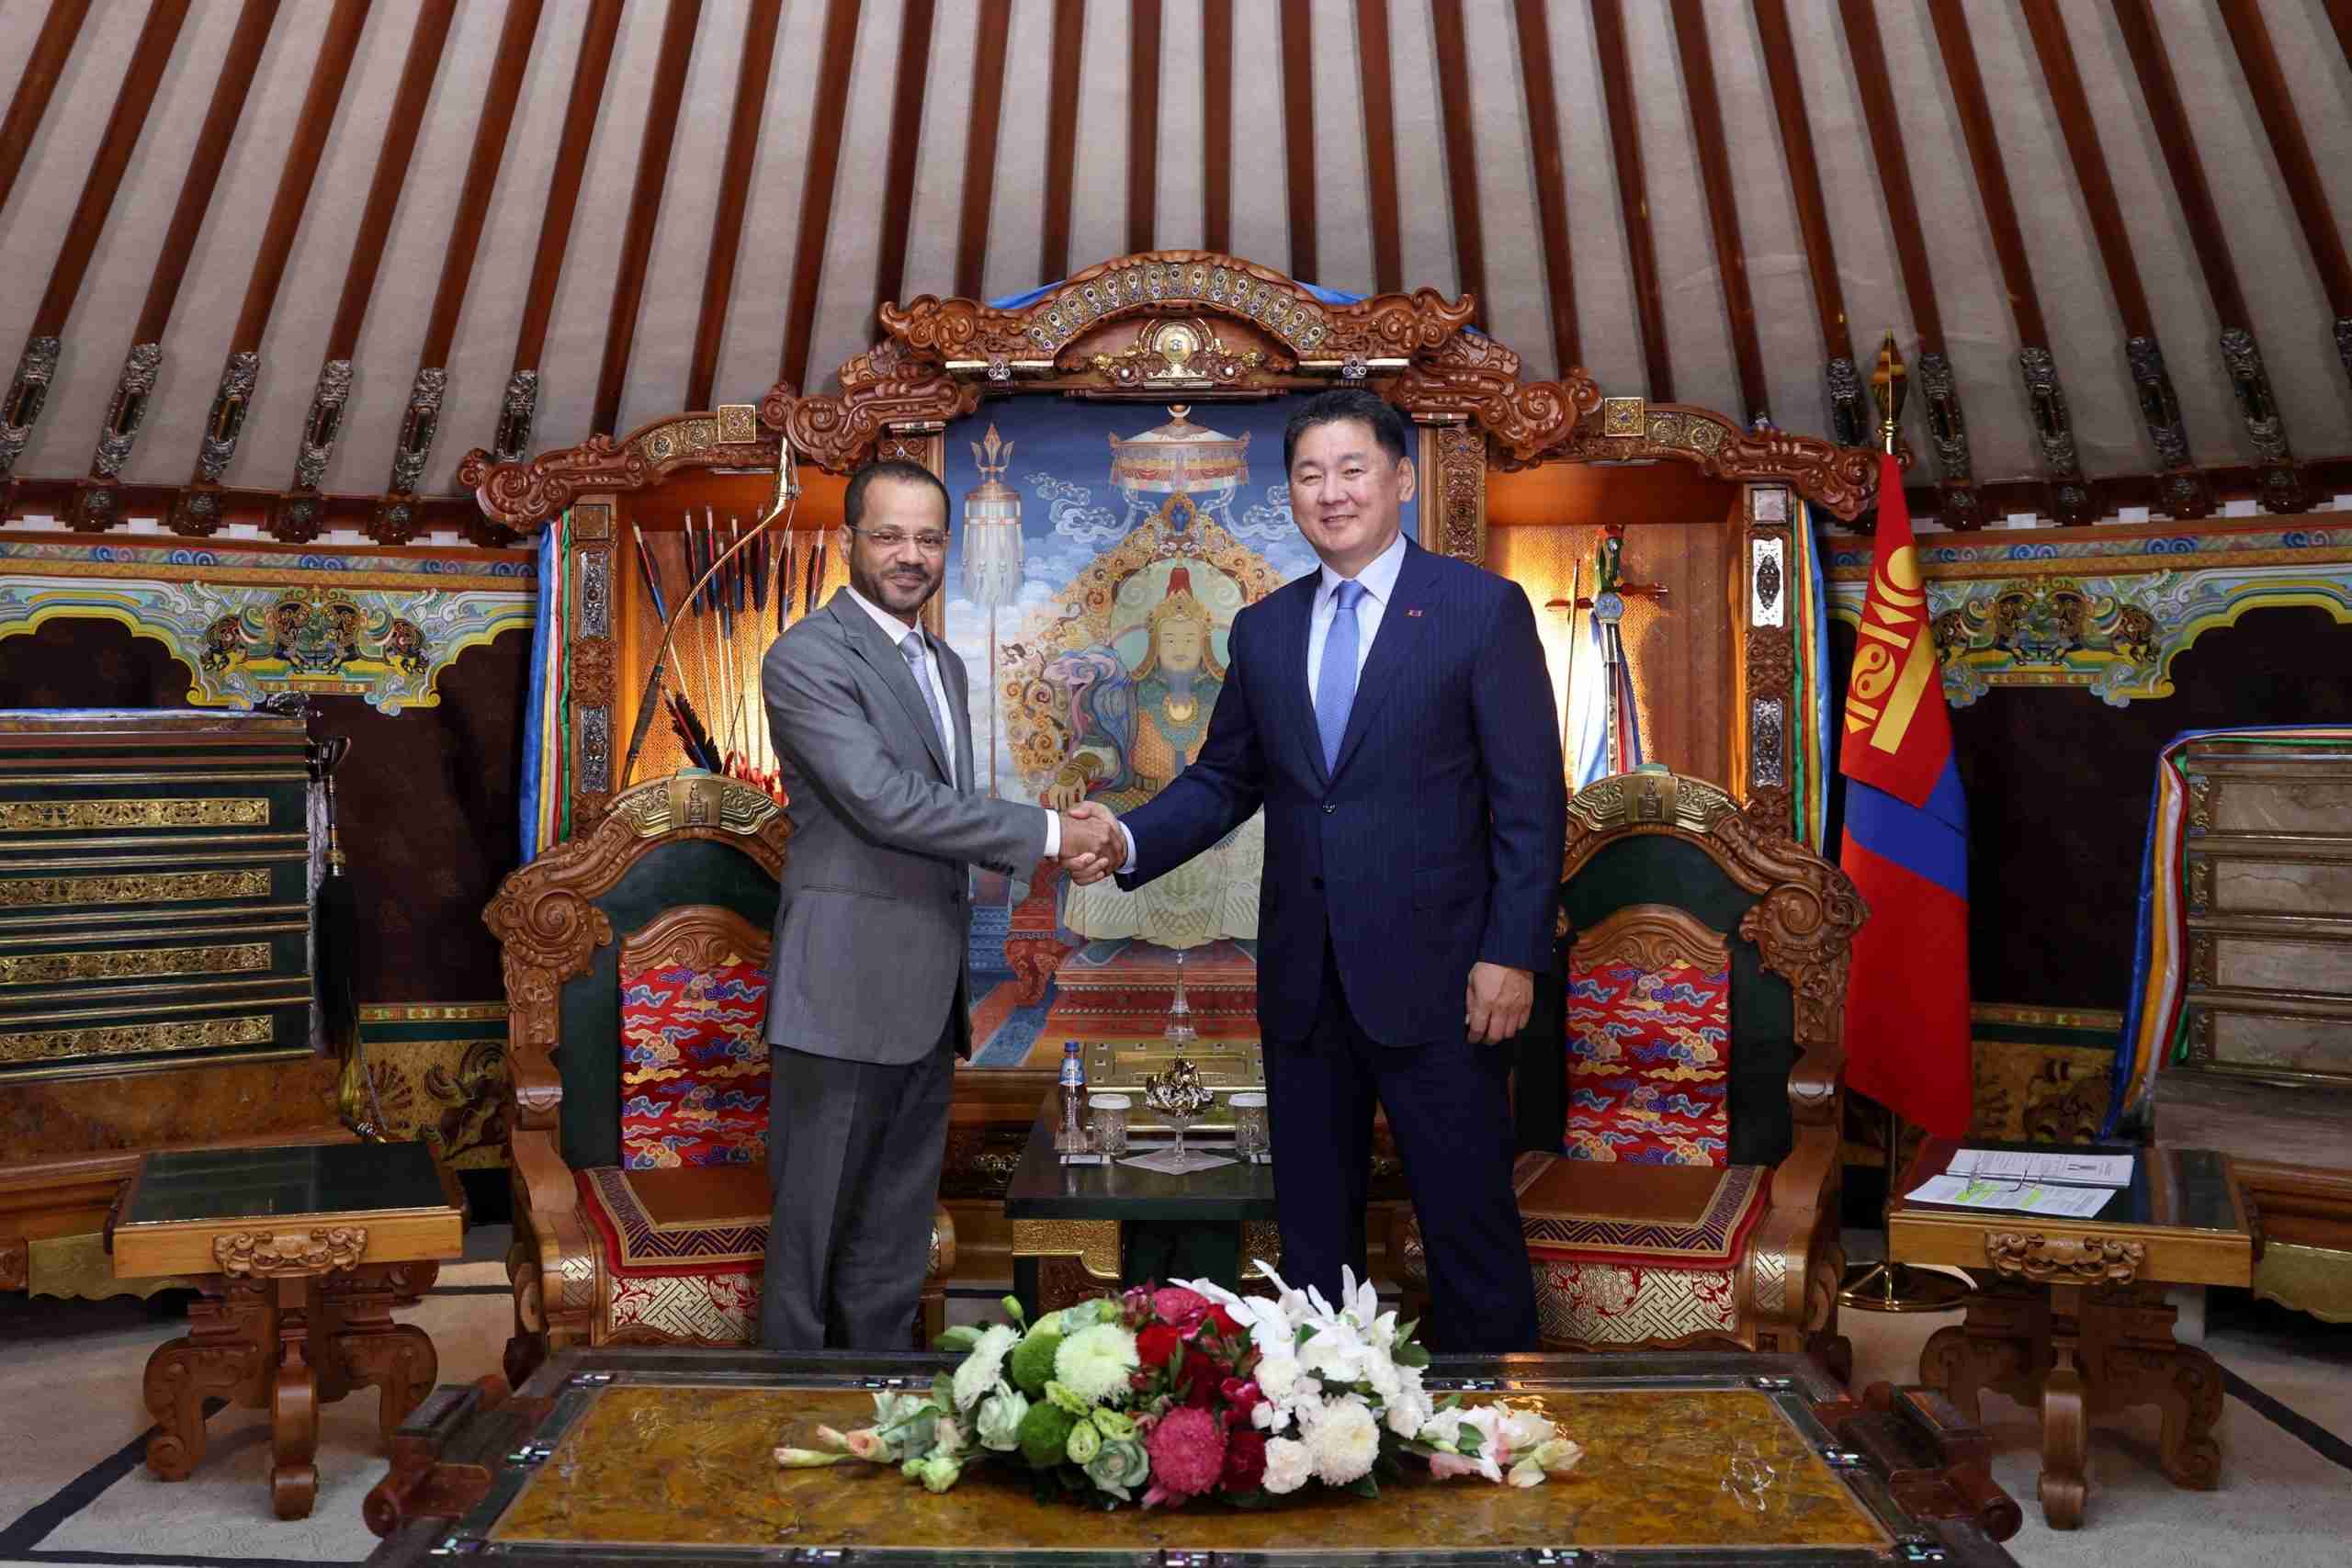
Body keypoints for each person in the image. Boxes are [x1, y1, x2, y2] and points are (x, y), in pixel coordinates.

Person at [1068, 389, 1566, 1351]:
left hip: (1447, 983)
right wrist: (1125, 839)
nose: (1331, 493)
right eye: (1309, 475)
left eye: (1351, 470)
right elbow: (1224, 778)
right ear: (1290, 494)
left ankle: (1493, 1424)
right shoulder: (1264, 628)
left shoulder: (1478, 610)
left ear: (1400, 480)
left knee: (1466, 1229)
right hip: (1303, 984)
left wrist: (1511, 953)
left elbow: (1529, 802)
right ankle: (1325, 1423)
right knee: (1313, 1245)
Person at [758, 458, 1121, 1348]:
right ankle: (786, 1410)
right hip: (840, 995)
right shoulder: (807, 656)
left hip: (925, 997)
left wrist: (1064, 848)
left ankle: (882, 1402)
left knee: (891, 1242)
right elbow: (884, 801)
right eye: (888, 535)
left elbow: (941, 819)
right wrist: (1051, 834)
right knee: (812, 1244)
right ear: (848, 540)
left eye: (927, 538)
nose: (909, 555)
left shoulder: (943, 664)